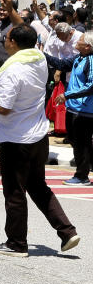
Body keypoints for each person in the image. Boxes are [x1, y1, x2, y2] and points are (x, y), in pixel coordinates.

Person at [0, 25, 81, 257]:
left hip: (17, 140)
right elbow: (26, 32)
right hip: (38, 136)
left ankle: (16, 243)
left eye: (7, 38)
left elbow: (4, 107)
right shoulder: (39, 57)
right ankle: (67, 231)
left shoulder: (14, 70)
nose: (4, 42)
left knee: (14, 192)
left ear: (14, 43)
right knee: (38, 188)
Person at [49, 31, 93, 186]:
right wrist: (42, 55)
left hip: (85, 111)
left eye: (80, 40)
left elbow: (90, 86)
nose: (77, 41)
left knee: (83, 144)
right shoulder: (78, 57)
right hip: (73, 109)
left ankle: (82, 176)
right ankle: (84, 169)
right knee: (76, 141)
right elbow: (62, 65)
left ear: (87, 46)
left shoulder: (91, 61)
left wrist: (68, 95)